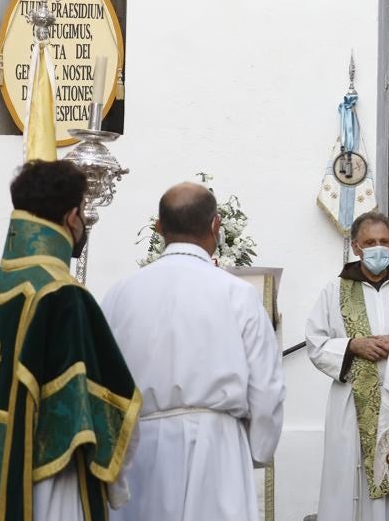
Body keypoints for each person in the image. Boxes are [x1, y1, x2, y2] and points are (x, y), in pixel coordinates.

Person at [0, 160, 141, 520]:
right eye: (83, 212)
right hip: (51, 488)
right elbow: (111, 406)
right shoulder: (64, 297)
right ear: (72, 217)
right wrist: (116, 480)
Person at [101, 182, 285, 521]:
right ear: (216, 225)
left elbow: (102, 383)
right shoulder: (238, 294)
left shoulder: (119, 295)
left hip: (141, 448)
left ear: (159, 227)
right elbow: (266, 386)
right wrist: (256, 451)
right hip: (216, 450)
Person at [306, 211, 389, 521]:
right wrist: (353, 345)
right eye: (370, 242)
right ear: (356, 247)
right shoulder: (335, 290)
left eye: (384, 241)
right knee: (351, 478)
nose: (378, 248)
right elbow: (316, 343)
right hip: (354, 407)